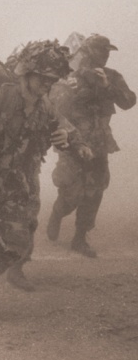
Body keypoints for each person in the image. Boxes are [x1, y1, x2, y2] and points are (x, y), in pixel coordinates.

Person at [0, 39, 91, 327]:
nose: (46, 85)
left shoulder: (44, 108)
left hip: (15, 187)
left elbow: (65, 129)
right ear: (27, 73)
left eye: (51, 80)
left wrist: (72, 143)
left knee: (18, 242)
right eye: (43, 79)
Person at [47, 34, 135, 257]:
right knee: (71, 192)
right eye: (100, 51)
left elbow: (129, 101)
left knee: (95, 191)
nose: (104, 56)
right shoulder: (68, 77)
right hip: (73, 143)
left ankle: (80, 238)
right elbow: (54, 107)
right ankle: (58, 213)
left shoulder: (112, 76)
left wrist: (107, 87)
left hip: (100, 143)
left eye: (107, 52)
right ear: (87, 52)